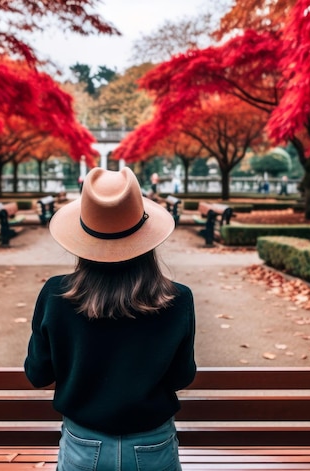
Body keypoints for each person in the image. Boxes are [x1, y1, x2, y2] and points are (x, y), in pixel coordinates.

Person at [24, 167, 197, 471]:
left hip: (83, 444)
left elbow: (38, 374)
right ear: (146, 237)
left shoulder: (55, 294)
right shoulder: (178, 299)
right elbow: (182, 377)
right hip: (153, 444)